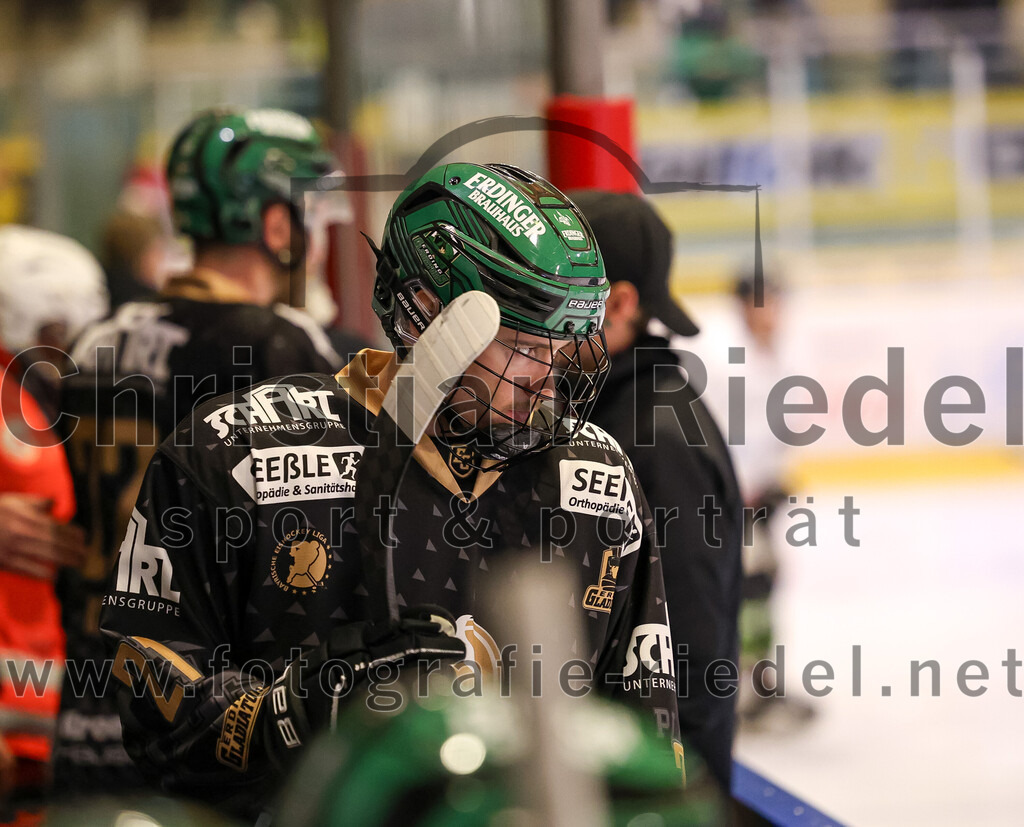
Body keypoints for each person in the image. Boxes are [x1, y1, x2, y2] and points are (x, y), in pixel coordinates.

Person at [99, 162, 683, 818]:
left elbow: (645, 739)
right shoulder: (235, 450)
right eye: (523, 342)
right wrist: (289, 711)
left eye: (565, 341)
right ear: (426, 313)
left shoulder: (595, 479)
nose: (550, 376)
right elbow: (149, 702)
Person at [53, 107, 345, 798]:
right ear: (276, 226)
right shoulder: (282, 346)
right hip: (206, 723)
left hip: (85, 702)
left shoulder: (98, 334)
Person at [571, 190, 743, 799]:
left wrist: (680, 797)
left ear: (618, 303)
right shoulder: (618, 409)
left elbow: (694, 650)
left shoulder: (655, 436)